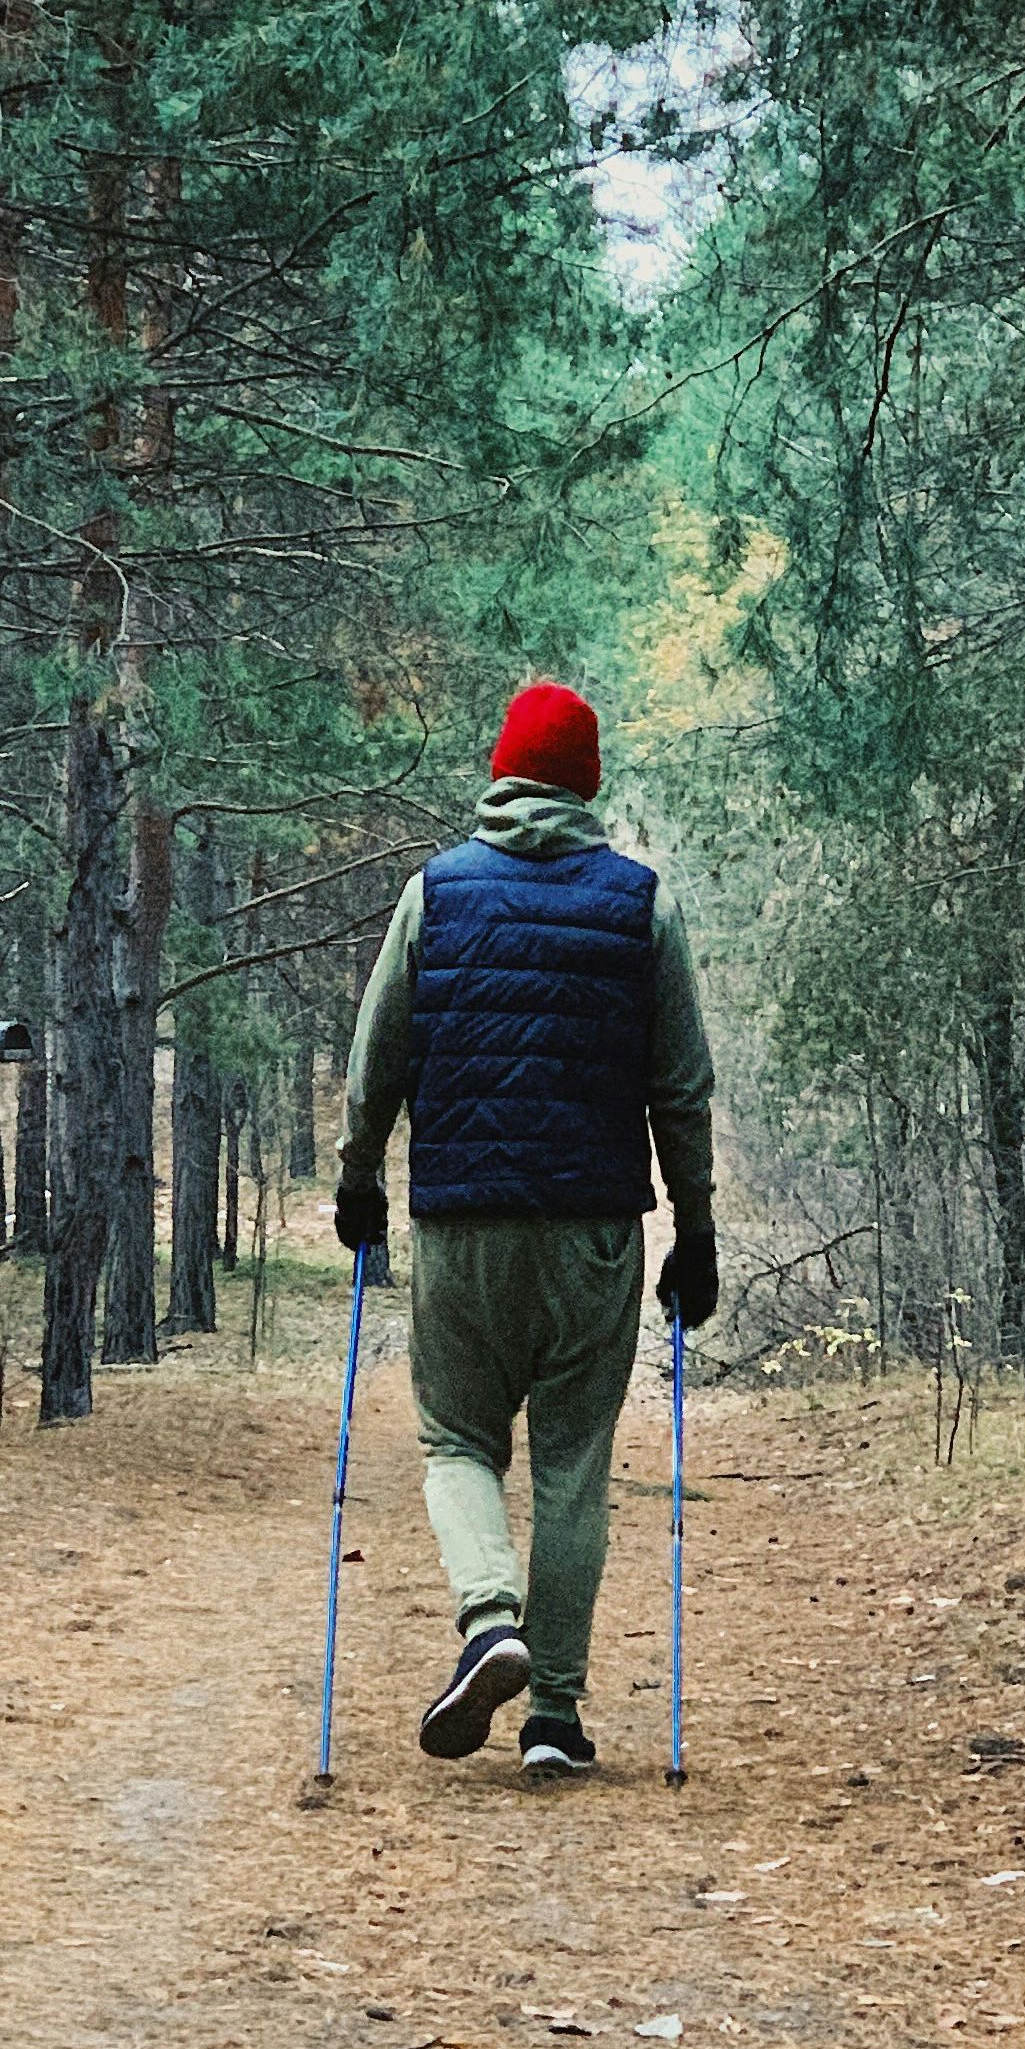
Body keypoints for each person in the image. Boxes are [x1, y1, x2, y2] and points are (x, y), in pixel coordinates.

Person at [333, 682, 720, 1775]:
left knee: (458, 1441)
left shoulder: (436, 894)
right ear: (587, 784)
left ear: (502, 772)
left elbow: (378, 1061)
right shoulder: (640, 905)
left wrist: (359, 1179)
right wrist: (697, 1233)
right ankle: (553, 1714)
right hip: (596, 1227)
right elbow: (680, 1089)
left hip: (462, 1221)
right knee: (573, 1466)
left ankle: (487, 1618)